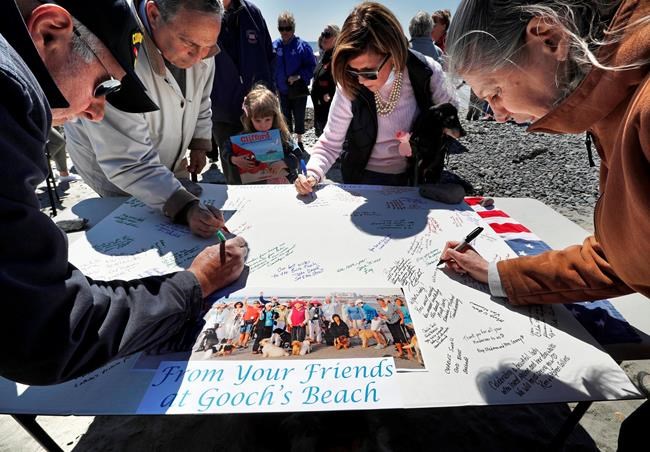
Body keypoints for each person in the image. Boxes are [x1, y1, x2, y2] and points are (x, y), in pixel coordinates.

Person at [0, 0, 246, 386]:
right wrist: (193, 284)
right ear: (48, 32)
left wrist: (200, 141)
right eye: (103, 86)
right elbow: (47, 330)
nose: (97, 113)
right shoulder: (8, 96)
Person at [443, 0, 648, 447]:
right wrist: (497, 274)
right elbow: (625, 254)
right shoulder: (619, 101)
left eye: (494, 91)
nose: (496, 114)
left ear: (549, 38)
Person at [64, 0, 224, 238]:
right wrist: (184, 205)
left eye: (208, 47)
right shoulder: (114, 48)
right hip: (117, 177)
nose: (200, 58)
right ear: (154, 14)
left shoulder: (199, 42)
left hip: (166, 163)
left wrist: (199, 142)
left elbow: (201, 98)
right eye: (189, 44)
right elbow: (128, 162)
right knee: (135, 231)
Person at [294, 2, 456, 193]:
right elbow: (330, 143)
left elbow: (451, 118)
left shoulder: (427, 72)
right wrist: (312, 174)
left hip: (417, 179)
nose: (361, 80)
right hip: (362, 179)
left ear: (393, 52)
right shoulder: (349, 83)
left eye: (369, 72)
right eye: (353, 71)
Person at [210, 0, 275, 184]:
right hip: (223, 112)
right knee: (235, 179)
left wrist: (269, 97)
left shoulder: (253, 13)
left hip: (259, 111)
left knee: (265, 173)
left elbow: (270, 58)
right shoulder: (203, 11)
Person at [222, 84, 302, 184]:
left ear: (274, 116)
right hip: (255, 186)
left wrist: (284, 163)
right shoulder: (243, 138)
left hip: (283, 184)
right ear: (250, 119)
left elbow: (298, 156)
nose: (263, 125)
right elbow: (225, 149)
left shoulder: (282, 135)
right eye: (258, 120)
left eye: (267, 119)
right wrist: (234, 159)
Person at [273, 11, 316, 151]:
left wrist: (298, 76)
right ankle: (289, 141)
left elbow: (312, 67)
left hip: (298, 90)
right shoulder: (275, 45)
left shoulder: (303, 46)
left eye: (288, 28)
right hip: (282, 90)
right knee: (284, 118)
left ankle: (300, 141)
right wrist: (273, 86)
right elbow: (270, 67)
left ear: (293, 28)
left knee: (299, 116)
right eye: (281, 28)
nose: (285, 32)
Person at [311, 24, 340, 137]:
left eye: (327, 35)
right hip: (319, 108)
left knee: (330, 140)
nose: (323, 37)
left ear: (337, 38)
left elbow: (343, 84)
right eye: (323, 34)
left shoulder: (338, 58)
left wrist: (331, 96)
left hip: (330, 111)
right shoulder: (325, 56)